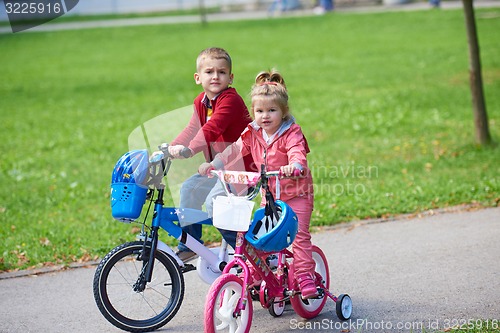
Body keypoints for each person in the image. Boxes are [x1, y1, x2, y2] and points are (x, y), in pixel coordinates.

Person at [198, 70, 318, 299]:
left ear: (283, 112)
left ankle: (304, 275)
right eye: (260, 111)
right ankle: (257, 273)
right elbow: (234, 150)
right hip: (270, 195)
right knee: (260, 237)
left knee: (300, 236)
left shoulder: (291, 132)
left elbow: (297, 152)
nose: (265, 116)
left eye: (272, 110)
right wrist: (214, 164)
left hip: (296, 194)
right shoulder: (252, 132)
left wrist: (295, 165)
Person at [167, 47, 254, 262]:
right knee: (189, 189)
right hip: (217, 168)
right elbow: (192, 129)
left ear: (230, 77)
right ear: (198, 77)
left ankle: (250, 255)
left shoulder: (230, 100)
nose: (215, 76)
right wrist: (172, 148)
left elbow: (211, 128)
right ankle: (191, 243)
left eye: (222, 72)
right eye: (209, 72)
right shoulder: (201, 102)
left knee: (217, 206)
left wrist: (190, 150)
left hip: (241, 168)